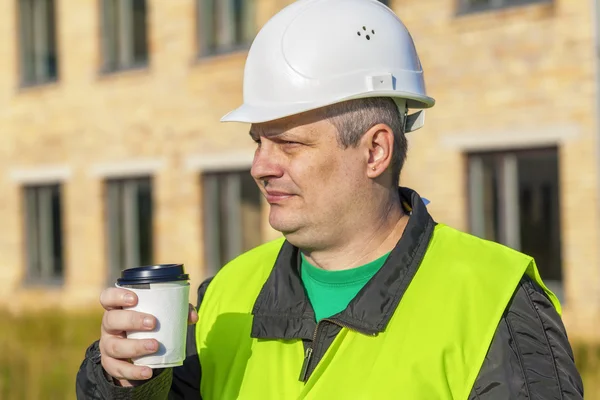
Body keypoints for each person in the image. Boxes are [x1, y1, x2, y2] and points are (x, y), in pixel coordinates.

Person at [76, 0, 584, 398]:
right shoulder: (225, 296)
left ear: (375, 150)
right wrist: (123, 380)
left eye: (290, 144)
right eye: (258, 141)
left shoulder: (495, 303)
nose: (260, 166)